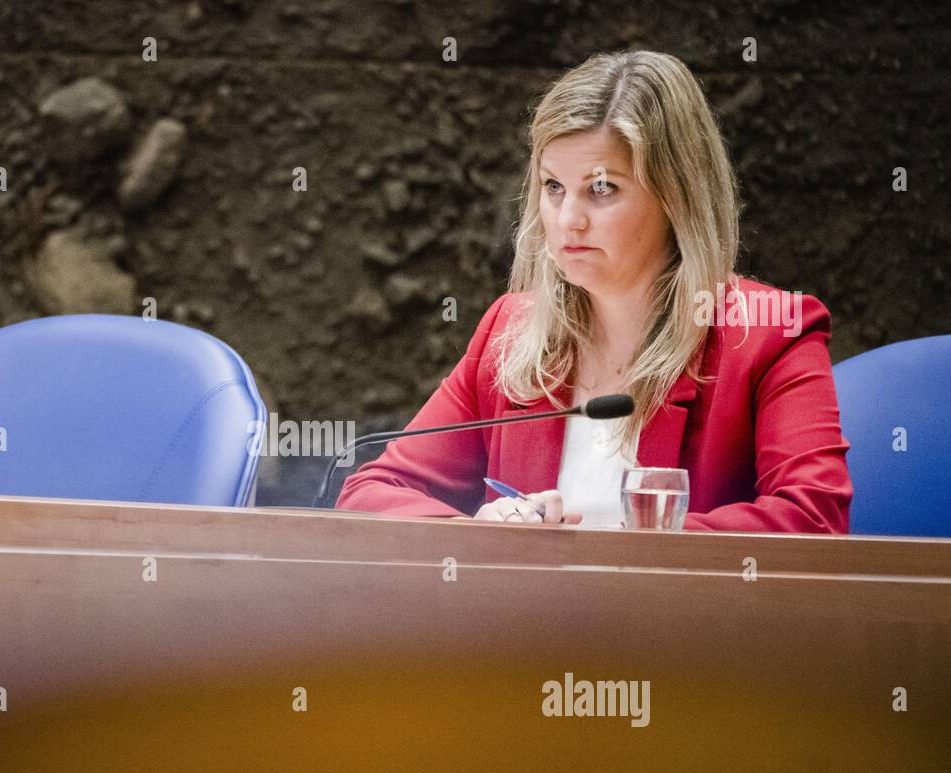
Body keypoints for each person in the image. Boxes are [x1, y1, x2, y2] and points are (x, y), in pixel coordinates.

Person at [334, 50, 852, 533]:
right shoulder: (509, 332)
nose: (567, 220)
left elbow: (813, 519)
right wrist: (482, 533)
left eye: (601, 189)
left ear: (677, 199)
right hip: (525, 629)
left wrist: (622, 550)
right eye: (552, 187)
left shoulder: (771, 334)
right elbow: (372, 492)